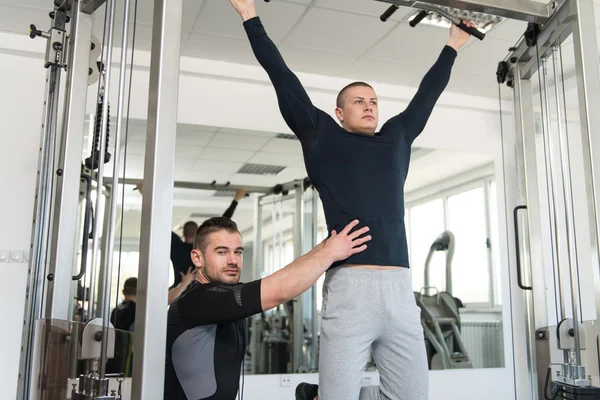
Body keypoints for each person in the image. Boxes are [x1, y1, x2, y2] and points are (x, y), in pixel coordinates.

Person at [229, 1, 475, 399]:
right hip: (350, 289)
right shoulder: (322, 135)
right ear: (340, 113)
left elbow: (427, 95)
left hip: (399, 289)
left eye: (374, 101)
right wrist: (248, 15)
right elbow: (281, 76)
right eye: (359, 101)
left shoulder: (396, 139)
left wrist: (453, 45)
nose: (370, 106)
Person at [164, 217, 371, 400]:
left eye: (238, 252)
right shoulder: (197, 300)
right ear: (197, 258)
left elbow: (283, 275)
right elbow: (279, 289)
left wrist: (326, 244)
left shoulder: (222, 295)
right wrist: (331, 253)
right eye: (222, 252)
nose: (233, 260)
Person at [136, 183, 247, 288]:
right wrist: (236, 199)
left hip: (181, 290)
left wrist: (144, 194)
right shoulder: (203, 248)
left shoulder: (176, 247)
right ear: (198, 233)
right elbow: (223, 221)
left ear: (184, 233)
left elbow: (158, 220)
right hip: (201, 289)